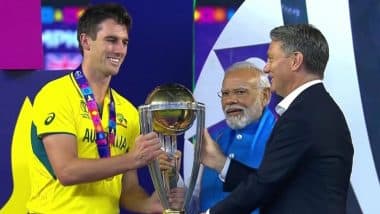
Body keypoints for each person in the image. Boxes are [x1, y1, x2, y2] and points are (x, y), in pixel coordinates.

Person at [201, 24, 354, 214]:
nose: (266, 68)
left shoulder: (304, 114)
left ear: (295, 61)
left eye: (271, 58)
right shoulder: (315, 107)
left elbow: (264, 185)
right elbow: (276, 184)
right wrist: (221, 163)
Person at [27, 3, 164, 213]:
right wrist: (132, 158)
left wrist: (149, 205)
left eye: (124, 42)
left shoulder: (128, 111)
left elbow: (128, 190)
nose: (119, 50)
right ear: (85, 41)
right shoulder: (55, 95)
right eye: (111, 40)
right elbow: (67, 171)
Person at [192, 61, 275, 214]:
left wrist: (221, 163)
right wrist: (172, 179)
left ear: (265, 96)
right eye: (225, 93)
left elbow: (283, 196)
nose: (230, 100)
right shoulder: (216, 138)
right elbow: (195, 201)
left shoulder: (282, 137)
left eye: (240, 92)